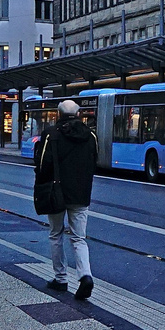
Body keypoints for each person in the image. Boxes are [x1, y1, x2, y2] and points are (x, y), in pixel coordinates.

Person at [34, 100, 97, 300]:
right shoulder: (91, 136)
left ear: (58, 114)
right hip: (81, 193)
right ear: (78, 114)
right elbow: (94, 161)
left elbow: (42, 165)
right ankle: (85, 275)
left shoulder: (51, 135)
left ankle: (60, 279)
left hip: (56, 192)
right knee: (79, 238)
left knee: (56, 234)